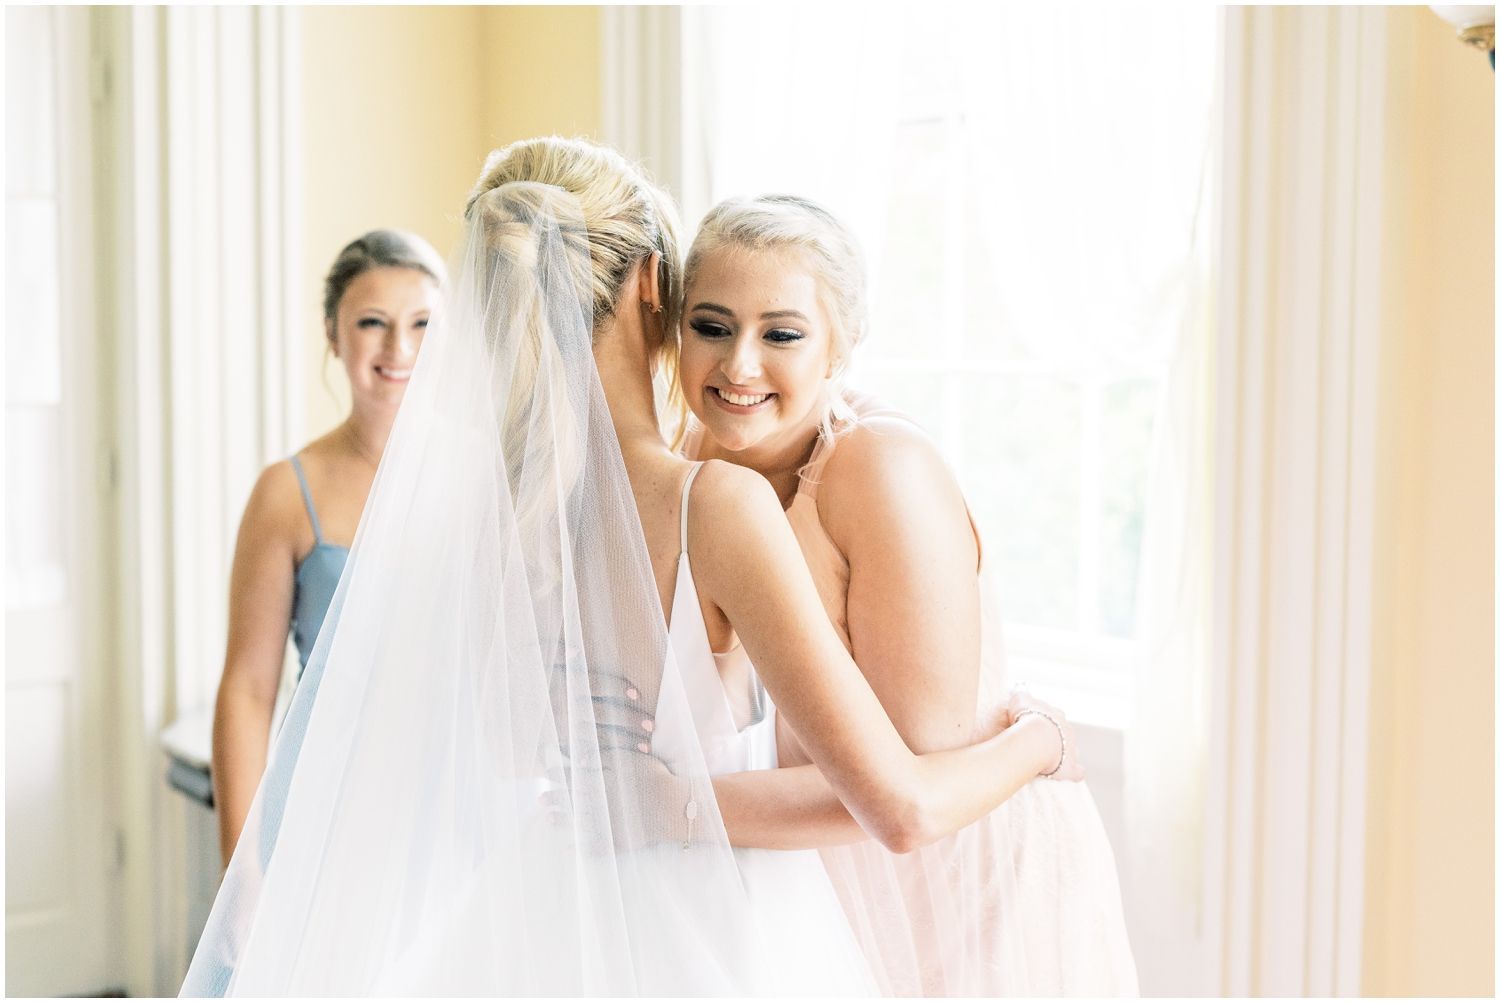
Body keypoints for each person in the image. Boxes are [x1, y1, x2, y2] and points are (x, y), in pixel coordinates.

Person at [183, 139, 1082, 997]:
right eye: (713, 320)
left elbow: (504, 744)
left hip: (555, 896)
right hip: (715, 921)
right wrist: (1042, 737)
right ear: (657, 283)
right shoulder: (715, 502)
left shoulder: (508, 505)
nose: (739, 360)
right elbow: (899, 807)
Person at [672, 193, 1138, 994]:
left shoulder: (879, 471)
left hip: (967, 884)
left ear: (841, 347)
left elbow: (907, 800)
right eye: (712, 326)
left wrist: (665, 809)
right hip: (825, 882)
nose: (738, 364)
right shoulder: (691, 458)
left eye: (781, 333)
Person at [210, 230, 445, 868]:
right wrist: (243, 873)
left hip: (455, 817)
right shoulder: (287, 492)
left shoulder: (489, 475)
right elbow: (248, 689)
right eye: (373, 322)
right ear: (332, 334)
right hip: (324, 818)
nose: (399, 348)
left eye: (423, 323)